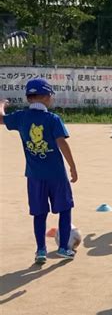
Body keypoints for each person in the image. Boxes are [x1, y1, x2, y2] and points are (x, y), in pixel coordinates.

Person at [0, 78, 78, 263]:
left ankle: (41, 250)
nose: (51, 98)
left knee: (39, 213)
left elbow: (1, 118)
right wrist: (73, 166)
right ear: (44, 97)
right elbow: (62, 143)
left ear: (29, 98)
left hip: (34, 177)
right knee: (65, 209)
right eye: (50, 95)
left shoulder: (21, 117)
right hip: (57, 175)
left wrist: (2, 104)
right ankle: (63, 248)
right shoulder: (53, 119)